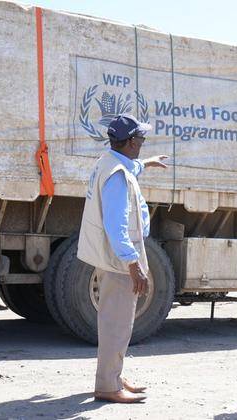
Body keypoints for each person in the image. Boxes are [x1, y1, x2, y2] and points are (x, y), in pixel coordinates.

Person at [76, 114, 168, 404]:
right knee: (117, 323)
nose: (142, 143)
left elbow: (130, 168)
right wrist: (133, 264)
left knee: (115, 320)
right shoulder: (117, 175)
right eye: (141, 139)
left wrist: (147, 162)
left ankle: (113, 375)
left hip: (112, 258)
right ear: (130, 142)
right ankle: (107, 385)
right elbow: (116, 226)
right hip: (119, 260)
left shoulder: (109, 162)